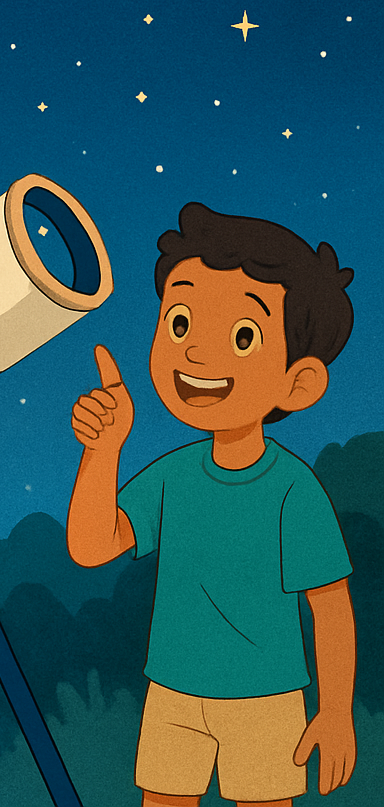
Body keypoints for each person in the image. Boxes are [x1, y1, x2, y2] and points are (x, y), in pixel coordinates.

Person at [66, 203, 357, 807]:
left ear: (297, 383)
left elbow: (329, 607)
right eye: (179, 322)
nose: (197, 353)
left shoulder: (293, 490)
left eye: (242, 336)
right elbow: (93, 547)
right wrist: (103, 452)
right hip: (172, 693)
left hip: (268, 699)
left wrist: (334, 712)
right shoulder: (172, 477)